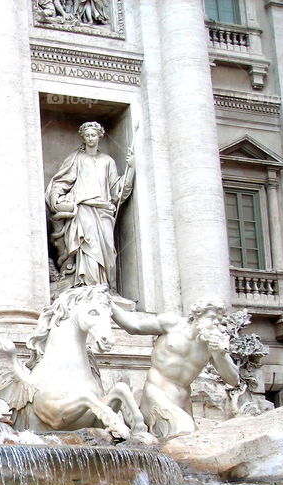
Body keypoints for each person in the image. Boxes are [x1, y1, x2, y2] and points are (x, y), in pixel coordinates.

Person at [111, 298, 240, 437]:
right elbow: (133, 326)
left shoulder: (211, 345)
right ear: (197, 316)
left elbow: (233, 380)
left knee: (191, 444)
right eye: (212, 318)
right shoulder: (172, 324)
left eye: (219, 321)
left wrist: (220, 355)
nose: (216, 323)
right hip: (156, 394)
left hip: (183, 403)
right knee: (185, 431)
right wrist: (108, 302)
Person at [46, 121, 134, 289]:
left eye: (93, 135)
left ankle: (105, 286)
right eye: (87, 136)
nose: (90, 138)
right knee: (88, 246)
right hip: (83, 208)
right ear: (83, 137)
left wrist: (131, 169)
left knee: (108, 248)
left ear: (100, 136)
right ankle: (87, 285)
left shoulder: (107, 161)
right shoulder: (76, 159)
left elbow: (117, 191)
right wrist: (56, 197)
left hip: (104, 211)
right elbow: (62, 181)